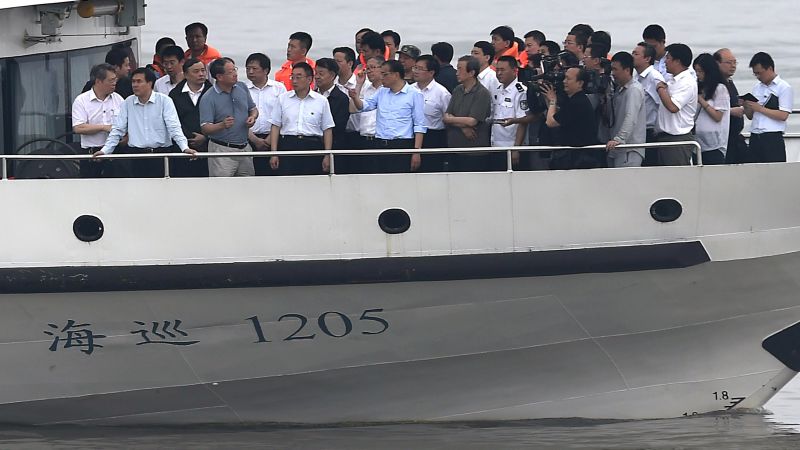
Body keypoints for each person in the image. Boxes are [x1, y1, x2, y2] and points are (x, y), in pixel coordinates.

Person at [94, 67, 195, 177]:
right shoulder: (128, 102)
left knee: (161, 190)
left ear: (150, 83)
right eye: (133, 81)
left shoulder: (164, 101)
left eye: (139, 81)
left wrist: (185, 147)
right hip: (136, 156)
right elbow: (118, 130)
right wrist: (105, 151)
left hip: (160, 154)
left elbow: (174, 127)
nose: (135, 85)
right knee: (137, 191)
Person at [349, 60, 426, 173]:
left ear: (396, 75)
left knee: (398, 179)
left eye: (384, 74)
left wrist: (416, 151)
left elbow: (419, 124)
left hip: (401, 144)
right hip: (379, 143)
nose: (381, 77)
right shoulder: (382, 92)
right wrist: (355, 97)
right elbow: (364, 106)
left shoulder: (414, 94)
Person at [269, 62, 335, 175]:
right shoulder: (283, 99)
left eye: (298, 77)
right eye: (292, 77)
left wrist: (327, 155)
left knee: (311, 182)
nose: (294, 81)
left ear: (309, 79)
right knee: (287, 181)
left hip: (312, 145)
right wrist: (273, 153)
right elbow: (275, 126)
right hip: (288, 144)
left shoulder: (321, 101)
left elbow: (327, 129)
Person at [199, 57, 259, 177]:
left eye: (235, 69)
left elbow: (253, 109)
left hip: (245, 148)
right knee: (222, 189)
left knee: (248, 187)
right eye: (231, 72)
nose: (235, 74)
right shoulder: (208, 97)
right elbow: (205, 128)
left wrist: (253, 117)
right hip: (222, 150)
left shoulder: (242, 87)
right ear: (220, 77)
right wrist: (222, 125)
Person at [543, 67, 603, 169]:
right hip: (573, 155)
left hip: (577, 158)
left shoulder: (578, 102)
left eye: (568, 79)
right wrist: (548, 98)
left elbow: (550, 122)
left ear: (580, 83)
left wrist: (553, 100)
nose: (564, 82)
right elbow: (555, 115)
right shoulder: (574, 100)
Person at [72, 63, 124, 177]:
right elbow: (78, 127)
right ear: (99, 81)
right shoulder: (82, 100)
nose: (114, 83)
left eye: (115, 79)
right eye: (111, 80)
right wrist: (104, 127)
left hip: (115, 153)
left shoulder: (118, 99)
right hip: (91, 155)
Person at [443, 56, 493, 172]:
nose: (457, 73)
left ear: (471, 73)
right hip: (454, 148)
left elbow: (472, 121)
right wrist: (463, 127)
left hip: (474, 151)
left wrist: (453, 120)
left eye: (460, 69)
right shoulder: (457, 90)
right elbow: (446, 116)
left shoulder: (482, 93)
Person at [743, 52, 794, 163]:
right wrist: (747, 106)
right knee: (754, 170)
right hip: (755, 135)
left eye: (759, 73)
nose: (758, 77)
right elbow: (750, 116)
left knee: (774, 172)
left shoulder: (784, 87)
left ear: (769, 68)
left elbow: (783, 115)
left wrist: (760, 109)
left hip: (772, 137)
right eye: (755, 74)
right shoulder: (757, 87)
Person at [169, 58, 213, 177]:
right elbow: (173, 120)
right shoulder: (175, 94)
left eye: (203, 71)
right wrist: (188, 137)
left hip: (208, 146)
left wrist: (206, 137)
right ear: (186, 74)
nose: (201, 74)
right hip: (182, 146)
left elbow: (219, 118)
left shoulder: (213, 92)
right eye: (196, 71)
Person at [654, 43, 697, 166]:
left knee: (677, 179)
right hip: (665, 137)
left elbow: (673, 107)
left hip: (677, 139)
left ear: (677, 61)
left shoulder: (687, 82)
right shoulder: (672, 79)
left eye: (668, 58)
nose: (665, 62)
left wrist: (660, 89)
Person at [245, 52, 287, 175]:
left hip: (273, 138)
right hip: (249, 138)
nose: (250, 72)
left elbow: (284, 115)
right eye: (248, 69)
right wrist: (255, 139)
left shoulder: (279, 88)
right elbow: (240, 117)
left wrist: (269, 140)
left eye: (254, 69)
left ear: (266, 70)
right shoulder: (242, 89)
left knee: (273, 174)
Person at [603, 52, 646, 168]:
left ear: (627, 70)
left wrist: (619, 139)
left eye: (616, 69)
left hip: (629, 150)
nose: (613, 73)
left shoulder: (634, 90)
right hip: (617, 149)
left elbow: (630, 116)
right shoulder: (619, 90)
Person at [412, 54, 452, 171]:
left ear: (431, 72)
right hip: (412, 135)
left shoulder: (441, 93)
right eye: (415, 68)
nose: (415, 71)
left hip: (433, 137)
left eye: (420, 69)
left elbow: (448, 117)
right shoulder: (410, 89)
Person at [345, 55, 384, 173]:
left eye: (373, 67)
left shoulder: (387, 89)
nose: (369, 71)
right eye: (367, 68)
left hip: (380, 139)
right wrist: (359, 84)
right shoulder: (364, 87)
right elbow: (352, 109)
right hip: (363, 138)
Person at [490, 56, 528, 169]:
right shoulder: (496, 89)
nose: (499, 73)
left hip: (510, 147)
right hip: (495, 145)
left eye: (503, 70)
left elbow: (523, 121)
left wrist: (516, 149)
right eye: (497, 70)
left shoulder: (521, 91)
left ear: (514, 70)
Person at [693, 53, 730, 165]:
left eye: (700, 71)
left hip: (714, 145)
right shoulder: (700, 87)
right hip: (698, 144)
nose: (698, 74)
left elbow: (718, 116)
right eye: (696, 71)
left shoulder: (720, 89)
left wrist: (702, 101)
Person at [632, 41, 665, 166]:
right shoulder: (636, 77)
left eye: (636, 54)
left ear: (647, 58)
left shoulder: (654, 77)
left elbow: (661, 104)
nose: (632, 56)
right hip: (639, 130)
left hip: (650, 131)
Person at [714, 48, 748, 163]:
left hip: (735, 136)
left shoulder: (729, 81)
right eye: (729, 62)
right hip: (723, 139)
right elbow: (710, 108)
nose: (733, 66)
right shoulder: (715, 84)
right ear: (717, 63)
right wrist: (731, 111)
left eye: (735, 62)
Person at [315, 58, 351, 154]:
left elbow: (339, 126)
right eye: (316, 73)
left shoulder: (341, 98)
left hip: (334, 146)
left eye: (321, 74)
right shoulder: (311, 96)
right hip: (311, 145)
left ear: (332, 75)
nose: (317, 77)